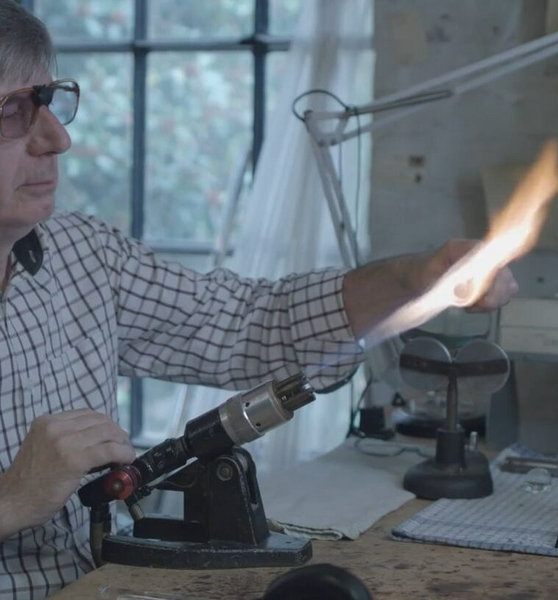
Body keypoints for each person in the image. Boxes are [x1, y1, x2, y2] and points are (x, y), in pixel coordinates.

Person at [0, 2, 518, 598]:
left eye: (50, 101)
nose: (58, 138)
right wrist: (13, 499)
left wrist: (415, 276)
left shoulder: (79, 254)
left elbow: (257, 325)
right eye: (14, 112)